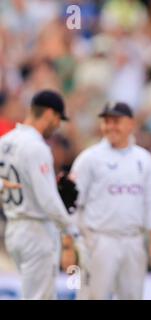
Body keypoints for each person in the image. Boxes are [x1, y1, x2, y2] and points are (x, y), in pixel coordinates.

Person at [70, 102, 151, 300]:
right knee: (93, 296)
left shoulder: (143, 159)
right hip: (100, 240)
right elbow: (73, 204)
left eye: (116, 121)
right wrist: (74, 242)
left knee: (132, 296)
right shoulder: (89, 158)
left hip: (133, 240)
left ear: (131, 124)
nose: (110, 126)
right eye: (106, 121)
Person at [0, 90, 79, 299]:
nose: (57, 125)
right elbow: (48, 199)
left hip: (14, 227)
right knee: (40, 296)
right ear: (50, 114)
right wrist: (70, 230)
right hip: (36, 230)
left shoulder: (5, 141)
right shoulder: (36, 146)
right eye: (58, 119)